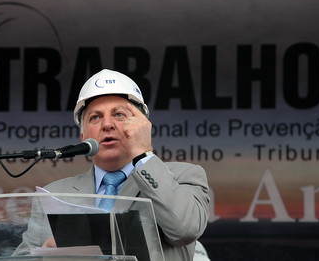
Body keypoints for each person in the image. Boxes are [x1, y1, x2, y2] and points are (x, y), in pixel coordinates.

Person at [14, 69, 210, 260]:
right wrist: (44, 256)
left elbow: (185, 230)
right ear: (83, 136)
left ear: (142, 125)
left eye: (119, 115)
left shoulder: (184, 175)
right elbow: (20, 258)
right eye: (95, 117)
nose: (107, 124)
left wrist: (143, 154)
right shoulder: (55, 194)